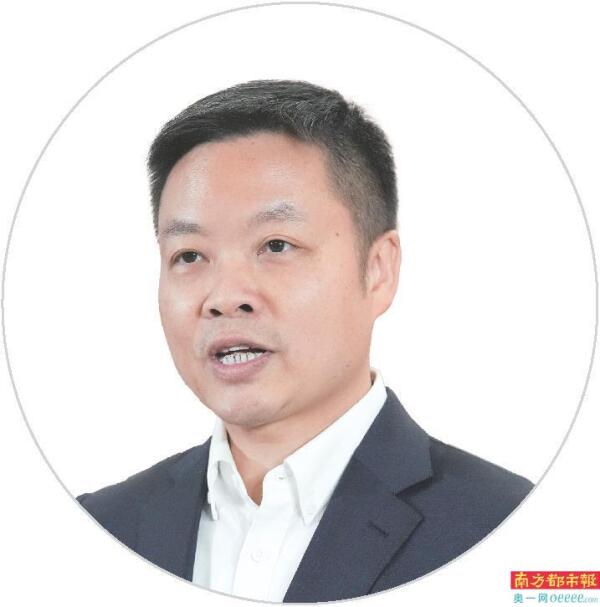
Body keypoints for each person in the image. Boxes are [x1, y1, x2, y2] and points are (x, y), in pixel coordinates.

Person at [76, 80, 533, 602]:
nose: (225, 297)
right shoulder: (100, 528)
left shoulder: (507, 527)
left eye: (276, 245)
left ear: (378, 270)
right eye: (189, 255)